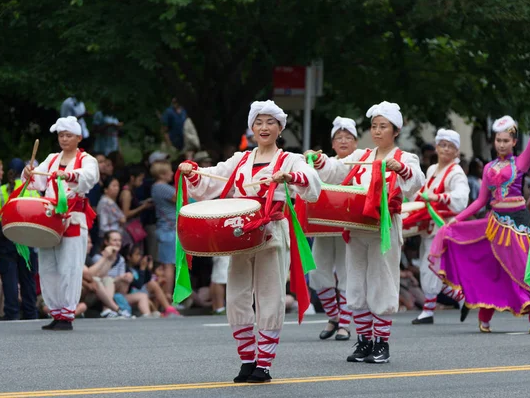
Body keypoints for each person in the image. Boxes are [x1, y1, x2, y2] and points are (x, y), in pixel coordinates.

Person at [178, 100, 321, 383]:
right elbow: (213, 180)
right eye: (258, 122)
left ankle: (264, 364)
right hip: (240, 233)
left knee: (269, 295)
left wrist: (289, 176)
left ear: (280, 128)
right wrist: (193, 172)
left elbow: (312, 185)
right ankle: (247, 360)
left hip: (272, 231)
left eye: (270, 122)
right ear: (252, 128)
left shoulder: (289, 159)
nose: (263, 127)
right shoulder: (240, 160)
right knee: (237, 295)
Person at [308, 101, 425, 363]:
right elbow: (336, 170)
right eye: (374, 126)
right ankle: (363, 341)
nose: (377, 131)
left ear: (395, 130)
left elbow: (416, 180)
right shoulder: (361, 156)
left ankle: (382, 343)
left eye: (383, 126)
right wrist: (319, 160)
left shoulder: (403, 158)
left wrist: (402, 169)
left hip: (384, 227)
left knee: (382, 282)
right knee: (356, 283)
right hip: (357, 227)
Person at [429, 116, 530, 333]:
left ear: (514, 142)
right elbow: (481, 201)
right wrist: (457, 219)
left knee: (523, 270)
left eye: (506, 140)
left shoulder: (521, 163)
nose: (501, 144)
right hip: (494, 225)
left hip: (518, 226)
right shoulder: (488, 167)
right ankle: (484, 316)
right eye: (498, 140)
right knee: (490, 271)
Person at [22, 116, 99, 330]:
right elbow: (37, 180)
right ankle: (56, 312)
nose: (64, 139)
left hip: (73, 218)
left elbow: (90, 177)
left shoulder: (86, 159)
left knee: (70, 266)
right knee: (47, 266)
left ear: (78, 137)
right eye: (61, 135)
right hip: (50, 218)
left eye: (69, 135)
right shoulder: (52, 158)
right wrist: (29, 172)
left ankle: (67, 313)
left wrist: (69, 175)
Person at [407, 129, 470, 325]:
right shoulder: (432, 169)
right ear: (436, 147)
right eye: (442, 145)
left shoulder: (457, 172)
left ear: (457, 151)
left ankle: (430, 309)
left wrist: (438, 198)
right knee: (431, 265)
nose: (445, 149)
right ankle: (459, 298)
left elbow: (461, 198)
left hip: (444, 226)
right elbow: (423, 192)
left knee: (432, 265)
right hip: (429, 224)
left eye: (450, 146)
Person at [309, 116, 359, 341]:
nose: (344, 141)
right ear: (332, 143)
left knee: (347, 272)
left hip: (348, 227)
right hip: (322, 226)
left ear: (356, 142)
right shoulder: (323, 163)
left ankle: (345, 324)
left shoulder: (362, 163)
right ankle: (333, 317)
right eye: (339, 137)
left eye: (348, 137)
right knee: (318, 272)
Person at [0, 158, 40, 320]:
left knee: (10, 282)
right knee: (28, 281)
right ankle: (30, 315)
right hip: (28, 242)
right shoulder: (33, 191)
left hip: (7, 241)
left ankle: (12, 315)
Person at [150, 161, 177, 299]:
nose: (172, 173)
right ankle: (168, 296)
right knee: (169, 265)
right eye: (169, 171)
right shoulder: (162, 187)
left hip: (166, 230)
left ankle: (164, 296)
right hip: (169, 230)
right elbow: (181, 199)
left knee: (167, 264)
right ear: (162, 174)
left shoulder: (156, 188)